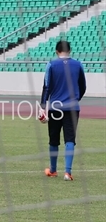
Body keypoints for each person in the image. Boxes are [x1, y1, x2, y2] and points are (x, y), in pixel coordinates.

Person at [40, 40, 86, 181]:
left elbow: (46, 86)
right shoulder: (78, 65)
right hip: (72, 107)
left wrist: (43, 106)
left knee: (54, 139)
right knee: (70, 139)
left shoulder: (51, 65)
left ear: (56, 51)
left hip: (55, 107)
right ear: (70, 50)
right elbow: (83, 86)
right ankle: (68, 172)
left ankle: (53, 170)